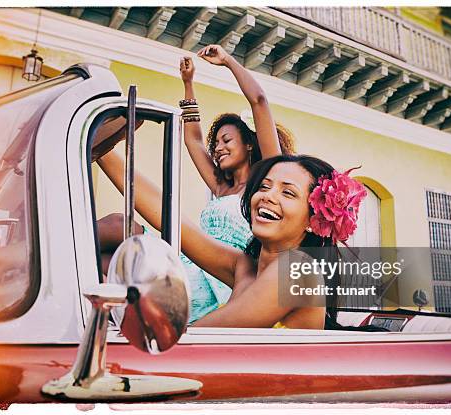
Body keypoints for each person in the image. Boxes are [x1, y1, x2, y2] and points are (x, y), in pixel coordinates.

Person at [97, 44, 295, 322]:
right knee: (108, 251)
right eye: (217, 144)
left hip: (215, 280)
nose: (218, 149)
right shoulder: (219, 186)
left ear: (250, 144)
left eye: (227, 141)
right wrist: (188, 84)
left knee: (120, 235)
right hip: (187, 258)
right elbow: (193, 139)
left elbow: (260, 102)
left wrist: (228, 61)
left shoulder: (264, 184)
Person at [97, 152, 367, 329]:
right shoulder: (244, 267)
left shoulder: (299, 272)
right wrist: (103, 151)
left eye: (288, 192)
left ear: (313, 220)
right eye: (264, 186)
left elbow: (197, 337)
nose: (268, 196)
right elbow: (171, 219)